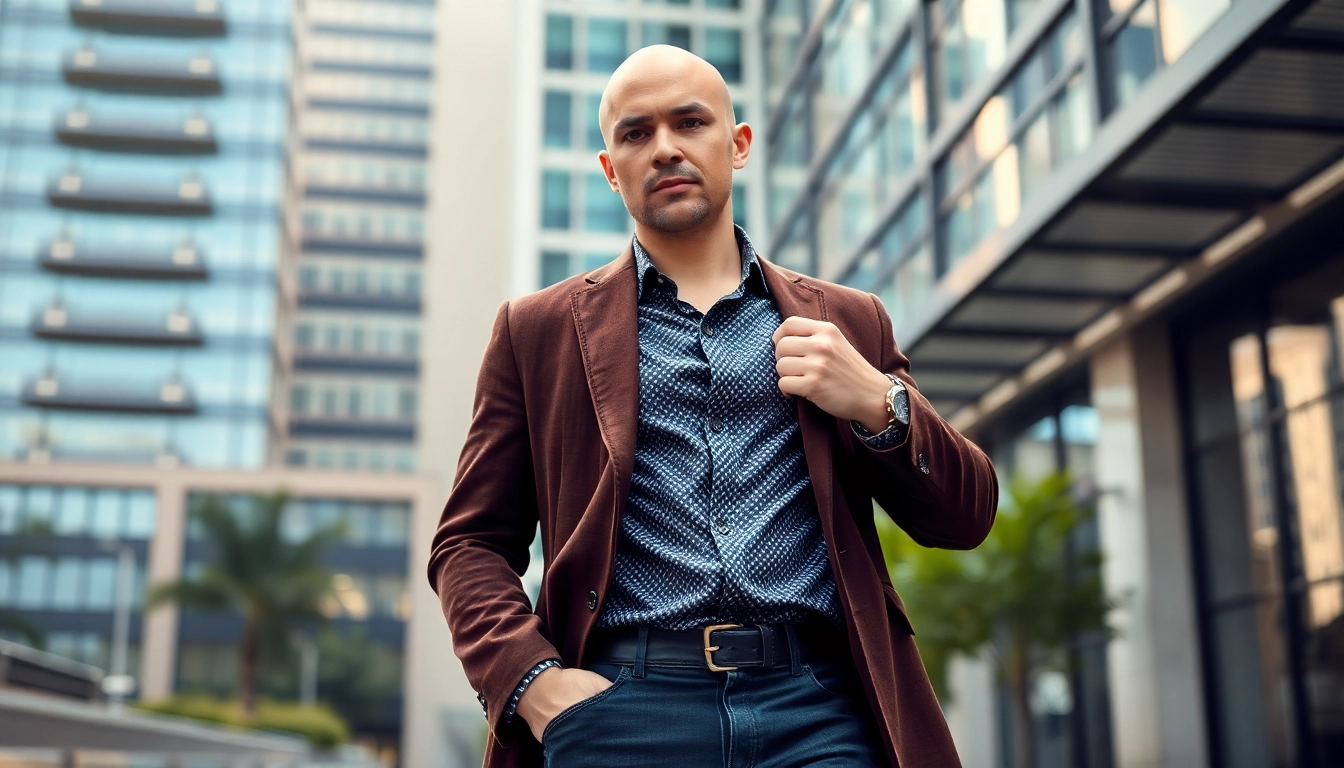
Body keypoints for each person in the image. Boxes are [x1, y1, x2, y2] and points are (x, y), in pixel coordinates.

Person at [428, 45, 997, 768]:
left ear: (738, 144)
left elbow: (965, 516)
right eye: (635, 134)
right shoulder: (537, 331)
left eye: (690, 122)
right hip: (623, 709)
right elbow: (468, 545)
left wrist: (879, 403)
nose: (665, 148)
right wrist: (533, 685)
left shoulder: (849, 322)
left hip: (818, 711)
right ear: (610, 170)